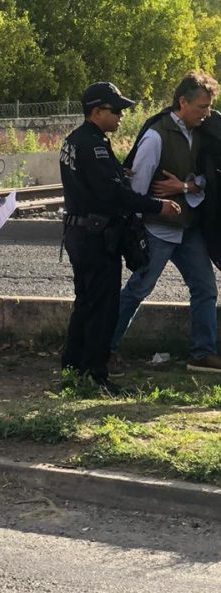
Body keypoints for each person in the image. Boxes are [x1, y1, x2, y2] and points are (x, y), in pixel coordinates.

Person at [60, 82, 180, 391]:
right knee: (103, 307)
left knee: (86, 302)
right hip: (96, 235)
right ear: (97, 111)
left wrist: (115, 173)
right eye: (116, 111)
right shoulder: (95, 144)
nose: (121, 117)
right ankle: (95, 375)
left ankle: (72, 367)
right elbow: (112, 195)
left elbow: (95, 181)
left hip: (78, 232)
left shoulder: (75, 140)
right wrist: (158, 206)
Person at [111, 72, 221, 373]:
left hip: (187, 229)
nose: (206, 113)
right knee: (138, 290)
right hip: (158, 231)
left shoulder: (199, 133)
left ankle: (203, 353)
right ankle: (105, 349)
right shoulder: (156, 136)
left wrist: (184, 187)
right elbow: (137, 189)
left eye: (209, 106)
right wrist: (145, 221)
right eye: (201, 107)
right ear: (182, 102)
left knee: (205, 288)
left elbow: (202, 179)